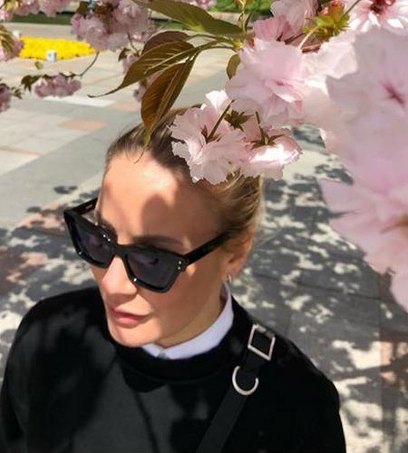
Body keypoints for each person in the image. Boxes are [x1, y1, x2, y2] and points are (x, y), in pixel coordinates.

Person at [0, 109, 346, 453]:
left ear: (235, 253)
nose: (113, 284)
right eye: (98, 238)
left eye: (153, 260)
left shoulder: (298, 404)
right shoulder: (46, 335)